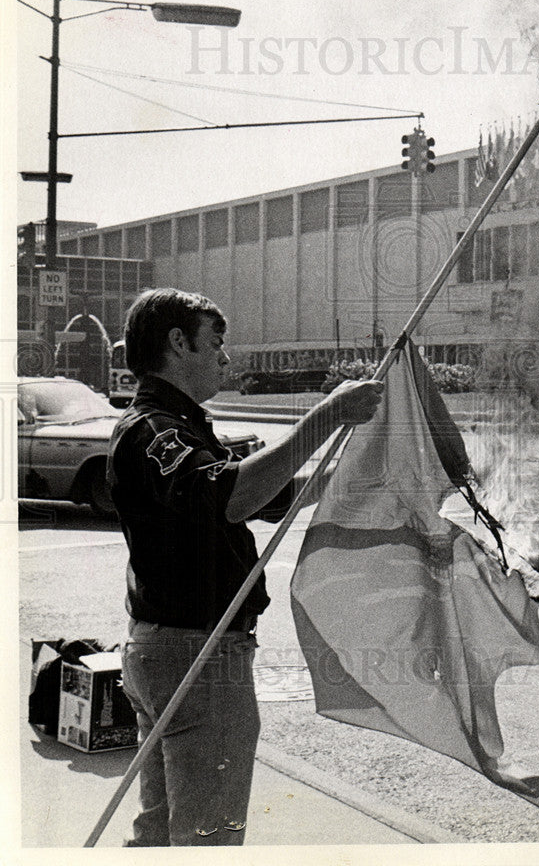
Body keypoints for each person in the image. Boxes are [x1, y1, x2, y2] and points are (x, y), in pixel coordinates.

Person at [108, 289, 382, 846]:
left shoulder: (174, 425)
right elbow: (230, 496)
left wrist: (349, 479)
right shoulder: (155, 430)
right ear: (178, 343)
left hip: (169, 649)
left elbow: (259, 496)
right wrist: (327, 414)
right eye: (217, 343)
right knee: (209, 836)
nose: (226, 359)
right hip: (196, 656)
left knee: (161, 832)